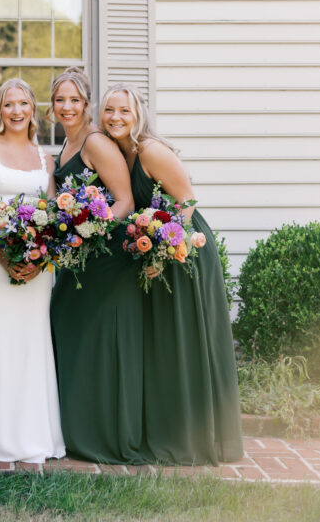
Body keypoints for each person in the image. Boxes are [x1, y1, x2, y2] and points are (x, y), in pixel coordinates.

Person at [96, 83, 243, 464]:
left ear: (138, 114)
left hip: (185, 249)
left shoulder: (150, 150)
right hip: (158, 253)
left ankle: (196, 439)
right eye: (109, 110)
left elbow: (188, 201)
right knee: (166, 344)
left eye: (123, 111)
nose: (115, 117)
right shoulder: (121, 154)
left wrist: (166, 244)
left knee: (185, 339)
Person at [0, 78, 65, 463]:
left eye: (23, 103)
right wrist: (5, 256)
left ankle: (34, 436)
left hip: (36, 267)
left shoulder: (45, 158)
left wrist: (37, 260)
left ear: (32, 109)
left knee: (30, 342)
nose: (16, 111)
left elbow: (54, 217)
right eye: (8, 104)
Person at [48, 67, 135, 463]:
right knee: (68, 333)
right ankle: (75, 431)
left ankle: (98, 436)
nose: (67, 107)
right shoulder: (65, 146)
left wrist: (90, 232)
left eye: (74, 100)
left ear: (86, 104)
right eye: (59, 100)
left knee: (93, 343)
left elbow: (125, 200)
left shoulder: (96, 142)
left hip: (103, 258)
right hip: (76, 257)